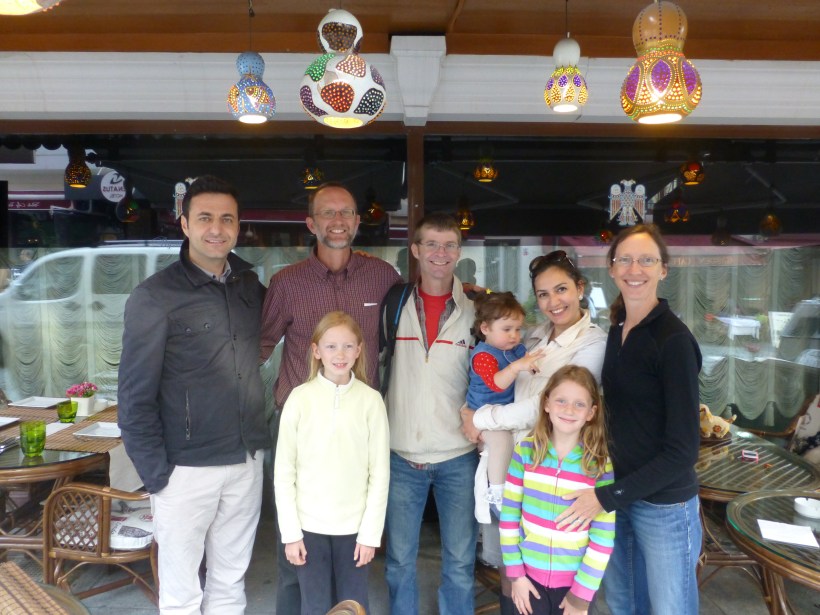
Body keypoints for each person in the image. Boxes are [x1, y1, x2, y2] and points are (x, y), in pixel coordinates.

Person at [118, 175, 270, 614]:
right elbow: (134, 395)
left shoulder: (248, 286)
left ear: (239, 227)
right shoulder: (155, 296)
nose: (216, 228)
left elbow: (292, 326)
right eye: (205, 218)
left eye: (227, 219)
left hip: (245, 461)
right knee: (182, 594)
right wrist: (157, 476)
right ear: (183, 224)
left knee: (230, 581)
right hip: (184, 470)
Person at [260, 181, 400, 615]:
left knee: (352, 564)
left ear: (358, 222)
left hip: (359, 421)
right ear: (311, 223)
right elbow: (260, 347)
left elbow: (404, 340)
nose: (337, 222)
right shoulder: (287, 283)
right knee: (295, 564)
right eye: (327, 213)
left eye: (346, 213)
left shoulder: (383, 277)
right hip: (298, 420)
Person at [556, 224, 703, 615]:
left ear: (663, 269)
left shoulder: (673, 341)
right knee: (624, 603)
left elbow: (683, 450)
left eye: (646, 260)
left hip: (663, 507)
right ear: (612, 268)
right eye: (625, 259)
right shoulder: (618, 331)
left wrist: (606, 497)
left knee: (671, 608)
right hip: (618, 495)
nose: (634, 268)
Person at [461, 250, 607, 615]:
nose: (553, 302)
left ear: (580, 288)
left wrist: (480, 418)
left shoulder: (592, 343)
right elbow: (498, 341)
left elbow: (544, 403)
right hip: (513, 456)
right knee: (510, 557)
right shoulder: (535, 335)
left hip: (555, 464)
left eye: (561, 290)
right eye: (543, 294)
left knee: (548, 561)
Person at [384, 212, 477, 615]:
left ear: (459, 252)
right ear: (416, 250)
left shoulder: (478, 308)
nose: (441, 253)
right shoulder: (395, 303)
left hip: (459, 456)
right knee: (399, 561)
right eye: (432, 244)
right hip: (401, 456)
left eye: (449, 245)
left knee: (459, 563)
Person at [274, 311, 389, 615]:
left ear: (360, 350)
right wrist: (291, 534)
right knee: (314, 606)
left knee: (352, 606)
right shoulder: (299, 399)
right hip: (308, 528)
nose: (340, 354)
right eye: (331, 346)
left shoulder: (371, 401)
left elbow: (380, 474)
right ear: (315, 351)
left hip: (354, 531)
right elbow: (284, 472)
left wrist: (370, 534)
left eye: (348, 346)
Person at [501, 365, 615, 615]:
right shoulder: (525, 451)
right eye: (561, 400)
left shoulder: (599, 464)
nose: (568, 410)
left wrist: (581, 596)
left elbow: (603, 538)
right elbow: (509, 517)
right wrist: (516, 576)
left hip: (574, 587)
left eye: (579, 404)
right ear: (546, 404)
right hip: (527, 582)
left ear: (591, 413)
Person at [467, 291, 544, 519]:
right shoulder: (483, 355)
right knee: (501, 442)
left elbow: (530, 366)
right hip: (484, 412)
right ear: (485, 328)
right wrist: (518, 366)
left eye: (518, 329)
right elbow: (497, 383)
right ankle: (498, 492)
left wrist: (531, 365)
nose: (514, 335)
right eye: (507, 329)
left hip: (503, 412)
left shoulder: (516, 350)